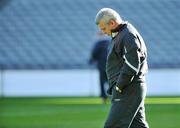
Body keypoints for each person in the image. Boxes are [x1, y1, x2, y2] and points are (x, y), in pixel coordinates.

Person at [95, 8, 149, 128]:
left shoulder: (127, 35)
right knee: (138, 126)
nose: (103, 32)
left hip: (128, 89)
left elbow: (132, 63)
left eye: (104, 28)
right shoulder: (122, 34)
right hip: (131, 89)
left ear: (112, 23)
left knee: (113, 126)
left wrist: (119, 86)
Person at [89, 32, 110, 103]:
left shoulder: (98, 44)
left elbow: (94, 54)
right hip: (110, 66)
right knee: (111, 81)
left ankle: (104, 97)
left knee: (102, 82)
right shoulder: (110, 43)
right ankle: (113, 95)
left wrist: (91, 60)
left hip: (101, 66)